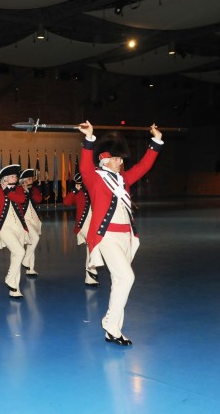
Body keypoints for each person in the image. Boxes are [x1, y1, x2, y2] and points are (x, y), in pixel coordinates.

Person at [78, 121, 163, 346]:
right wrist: (88, 139)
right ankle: (110, 324)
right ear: (104, 159)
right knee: (127, 277)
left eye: (121, 158)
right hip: (106, 237)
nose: (121, 162)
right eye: (116, 158)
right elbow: (85, 166)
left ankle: (113, 328)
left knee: (120, 281)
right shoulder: (95, 178)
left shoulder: (123, 179)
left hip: (126, 237)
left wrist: (156, 141)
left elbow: (144, 166)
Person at [0, 164, 30, 299]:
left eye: (15, 175)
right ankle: (10, 279)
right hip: (5, 227)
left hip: (20, 227)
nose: (15, 177)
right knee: (20, 251)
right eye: (12, 176)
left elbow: (21, 200)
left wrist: (7, 192)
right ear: (4, 179)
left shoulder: (19, 190)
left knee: (16, 256)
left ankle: (15, 288)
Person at [62, 172, 102, 287]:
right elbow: (66, 202)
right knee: (92, 243)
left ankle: (90, 278)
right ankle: (91, 272)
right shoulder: (78, 192)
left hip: (94, 223)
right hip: (83, 224)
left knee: (91, 247)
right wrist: (75, 190)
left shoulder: (94, 190)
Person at [19, 168, 42, 277]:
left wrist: (29, 192)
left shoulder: (34, 189)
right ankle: (25, 260)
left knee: (31, 243)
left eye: (31, 178)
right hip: (24, 220)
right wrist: (24, 192)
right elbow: (19, 200)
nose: (31, 180)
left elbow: (38, 199)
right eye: (28, 178)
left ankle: (30, 269)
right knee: (35, 239)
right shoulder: (18, 189)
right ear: (23, 180)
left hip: (35, 220)